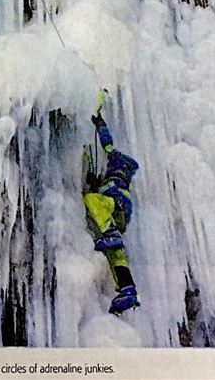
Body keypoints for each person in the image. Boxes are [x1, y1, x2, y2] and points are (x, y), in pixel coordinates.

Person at [82, 113, 140, 315]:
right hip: (119, 213)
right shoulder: (111, 179)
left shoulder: (118, 163)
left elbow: (108, 144)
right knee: (116, 255)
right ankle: (127, 289)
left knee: (90, 199)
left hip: (117, 203)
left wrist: (100, 123)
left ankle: (110, 232)